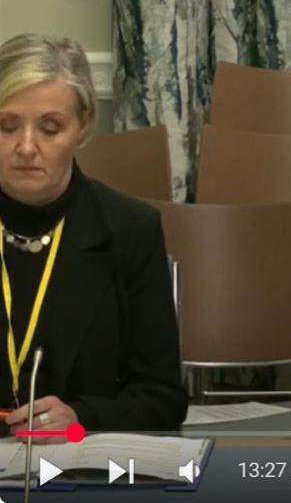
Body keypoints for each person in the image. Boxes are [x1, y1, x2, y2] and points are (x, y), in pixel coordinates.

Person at [0, 34, 187, 441]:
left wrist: (81, 419)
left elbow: (163, 398)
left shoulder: (130, 230)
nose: (26, 147)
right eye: (6, 126)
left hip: (85, 468)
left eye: (50, 128)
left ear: (83, 126)